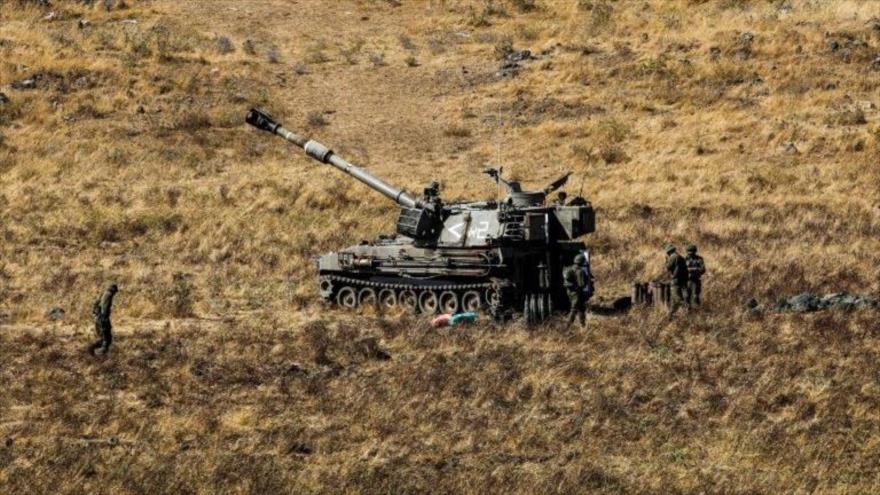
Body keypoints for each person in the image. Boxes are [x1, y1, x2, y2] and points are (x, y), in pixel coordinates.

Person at [564, 252, 594, 329]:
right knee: (574, 309)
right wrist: (587, 280)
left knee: (581, 308)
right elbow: (581, 284)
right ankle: (567, 326)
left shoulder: (570, 268)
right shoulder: (579, 271)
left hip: (571, 291)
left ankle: (583, 325)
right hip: (577, 292)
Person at [89, 284, 118, 355]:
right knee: (106, 339)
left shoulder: (104, 293)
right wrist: (105, 318)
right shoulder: (108, 295)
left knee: (103, 338)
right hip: (102, 318)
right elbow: (104, 308)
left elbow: (96, 304)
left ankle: (92, 351)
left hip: (99, 317)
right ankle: (96, 354)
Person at [664, 245, 688, 315]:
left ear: (668, 252)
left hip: (675, 280)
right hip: (681, 280)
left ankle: (687, 308)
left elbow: (668, 267)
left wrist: (666, 261)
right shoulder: (681, 257)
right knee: (673, 300)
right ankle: (670, 315)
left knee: (677, 298)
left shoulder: (673, 257)